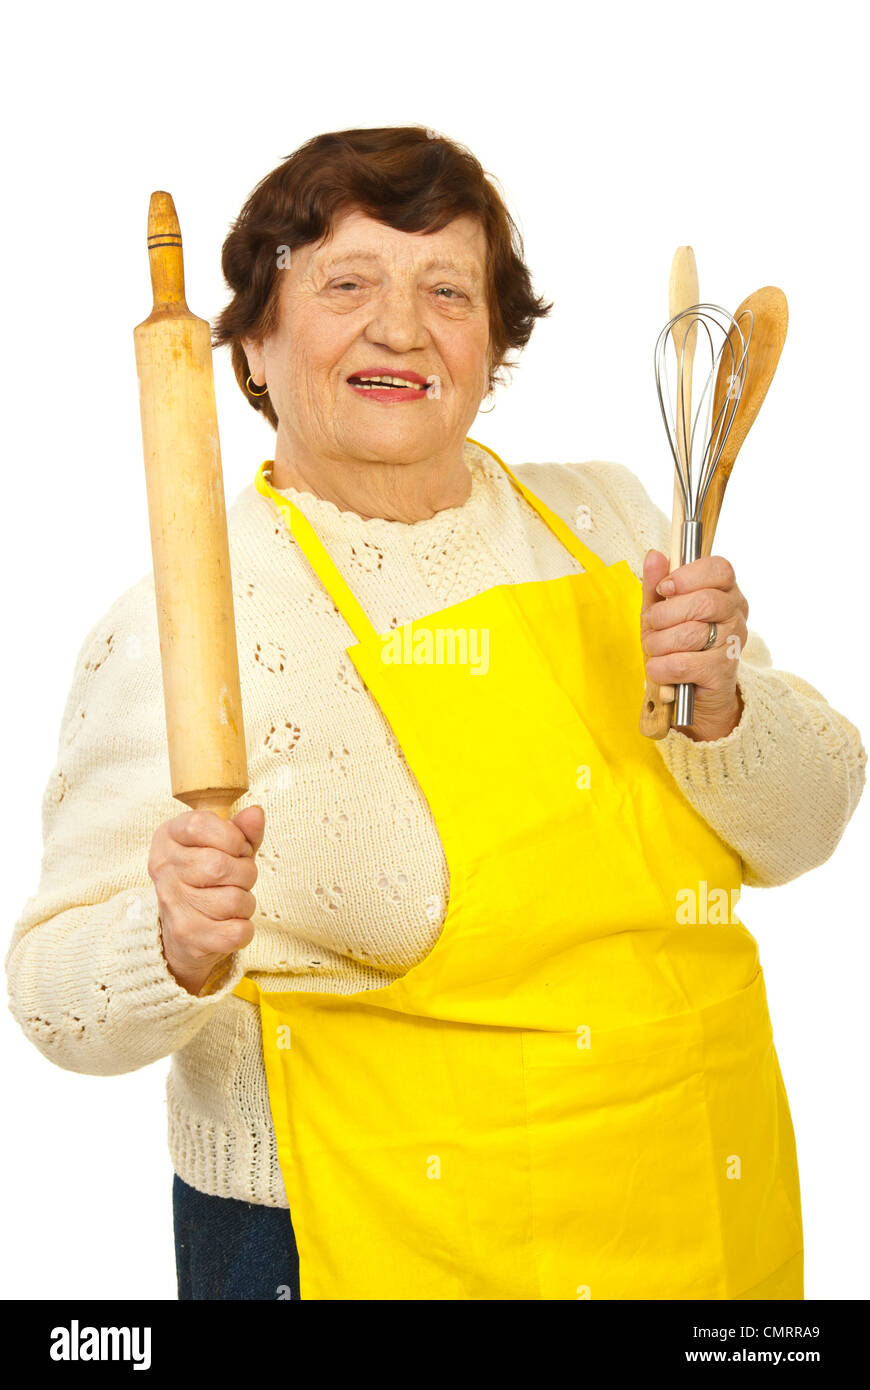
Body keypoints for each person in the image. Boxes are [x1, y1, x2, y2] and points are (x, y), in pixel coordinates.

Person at [7, 126, 865, 1301]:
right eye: (347, 282)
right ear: (252, 343)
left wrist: (723, 709)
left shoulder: (609, 521)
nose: (401, 327)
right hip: (359, 1241)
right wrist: (168, 945)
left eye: (447, 290)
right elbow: (53, 994)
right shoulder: (196, 614)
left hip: (678, 1215)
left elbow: (810, 825)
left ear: (494, 345)